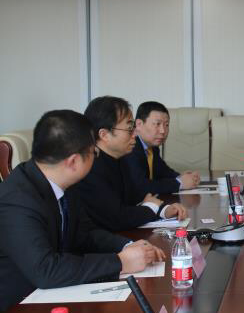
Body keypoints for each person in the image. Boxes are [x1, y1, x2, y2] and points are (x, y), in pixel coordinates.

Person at [0, 110, 165, 313]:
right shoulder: (16, 199)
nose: (96, 158)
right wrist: (120, 262)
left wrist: (127, 247)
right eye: (94, 153)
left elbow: (86, 234)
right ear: (73, 161)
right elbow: (46, 270)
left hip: (35, 304)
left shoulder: (58, 183)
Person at [72, 96, 186, 231]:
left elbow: (137, 197)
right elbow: (117, 218)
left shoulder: (120, 158)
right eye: (129, 129)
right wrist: (151, 208)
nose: (135, 134)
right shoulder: (90, 167)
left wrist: (164, 210)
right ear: (104, 135)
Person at [123, 101, 200, 196]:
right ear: (139, 124)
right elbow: (141, 186)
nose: (163, 131)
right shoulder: (130, 147)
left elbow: (163, 171)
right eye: (157, 124)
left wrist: (181, 177)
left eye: (166, 125)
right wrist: (179, 183)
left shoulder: (152, 146)